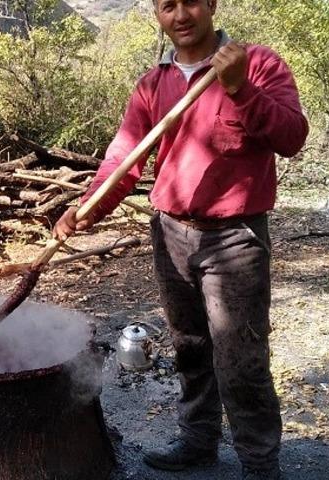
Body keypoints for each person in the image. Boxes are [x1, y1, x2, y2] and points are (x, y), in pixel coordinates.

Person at [52, 1, 308, 479]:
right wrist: (87, 209)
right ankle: (199, 442)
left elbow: (293, 137)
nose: (181, 14)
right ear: (157, 14)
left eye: (191, 1)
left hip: (235, 237)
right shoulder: (153, 85)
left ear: (211, 4)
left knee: (241, 359)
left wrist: (239, 88)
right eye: (167, 5)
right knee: (189, 347)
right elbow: (123, 159)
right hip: (170, 232)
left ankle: (260, 464)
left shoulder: (256, 63)